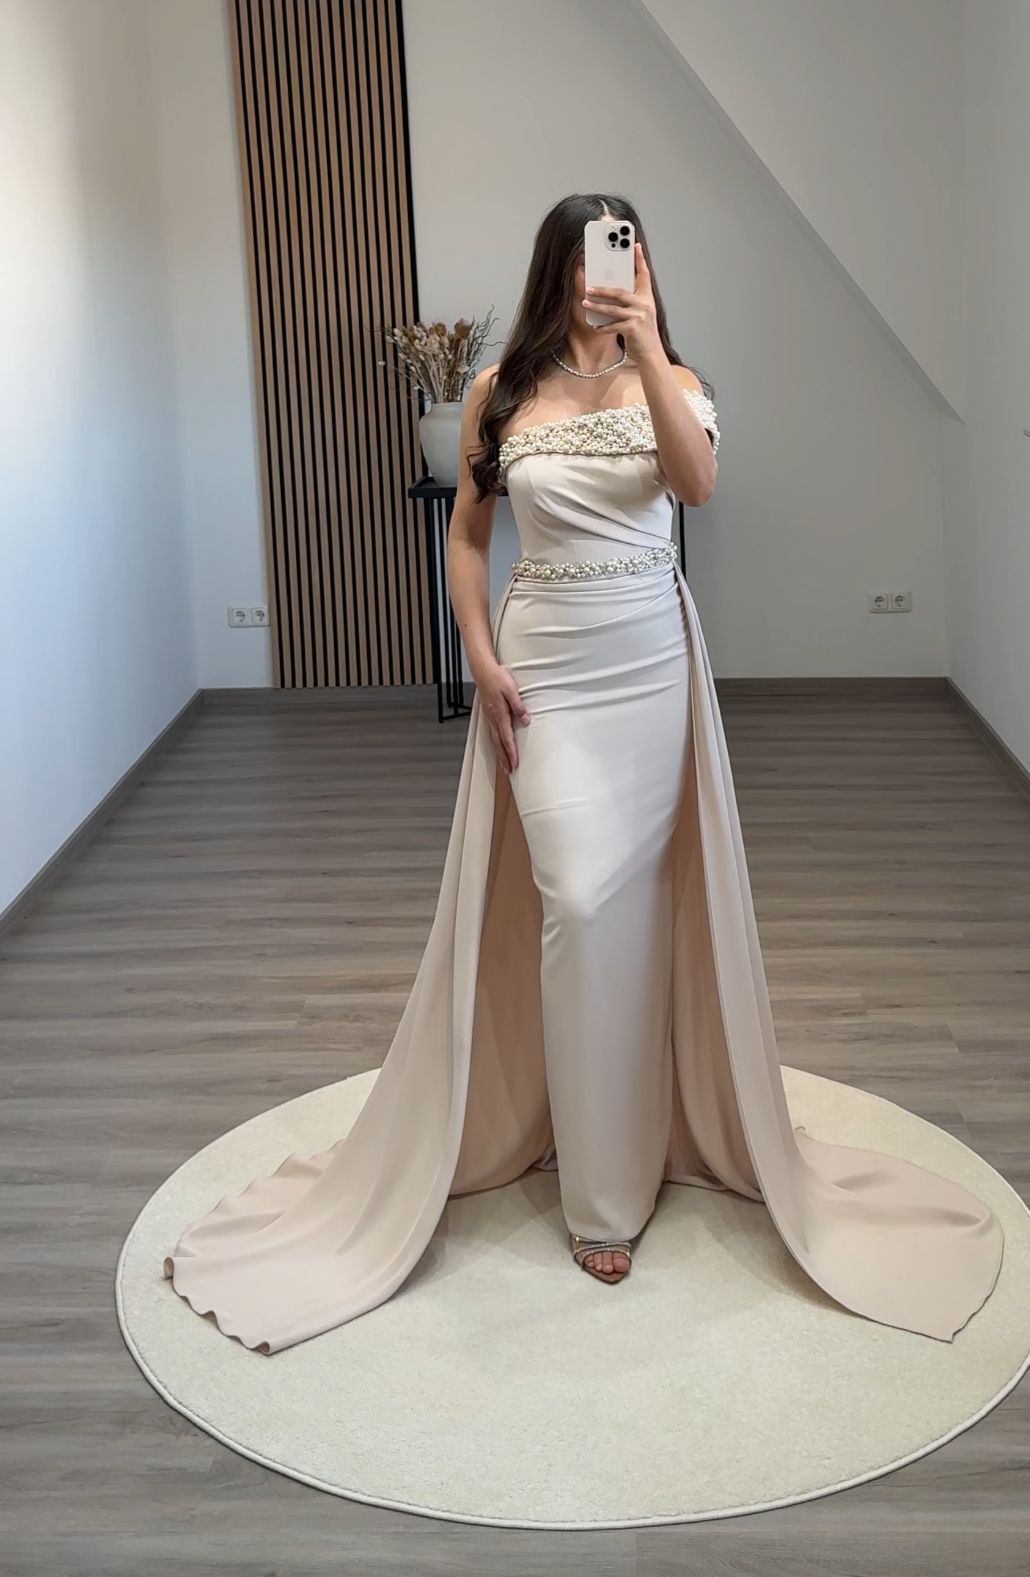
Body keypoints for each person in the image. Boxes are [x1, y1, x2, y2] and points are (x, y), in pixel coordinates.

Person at [163, 194, 1003, 1353]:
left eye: (629, 253)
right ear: (555, 268)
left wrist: (647, 346)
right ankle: (593, 1176)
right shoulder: (499, 389)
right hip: (545, 667)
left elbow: (696, 489)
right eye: (593, 257)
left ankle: (622, 1159)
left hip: (649, 660)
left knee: (635, 905)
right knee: (577, 897)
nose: (609, 274)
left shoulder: (678, 380)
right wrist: (479, 655)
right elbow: (467, 534)